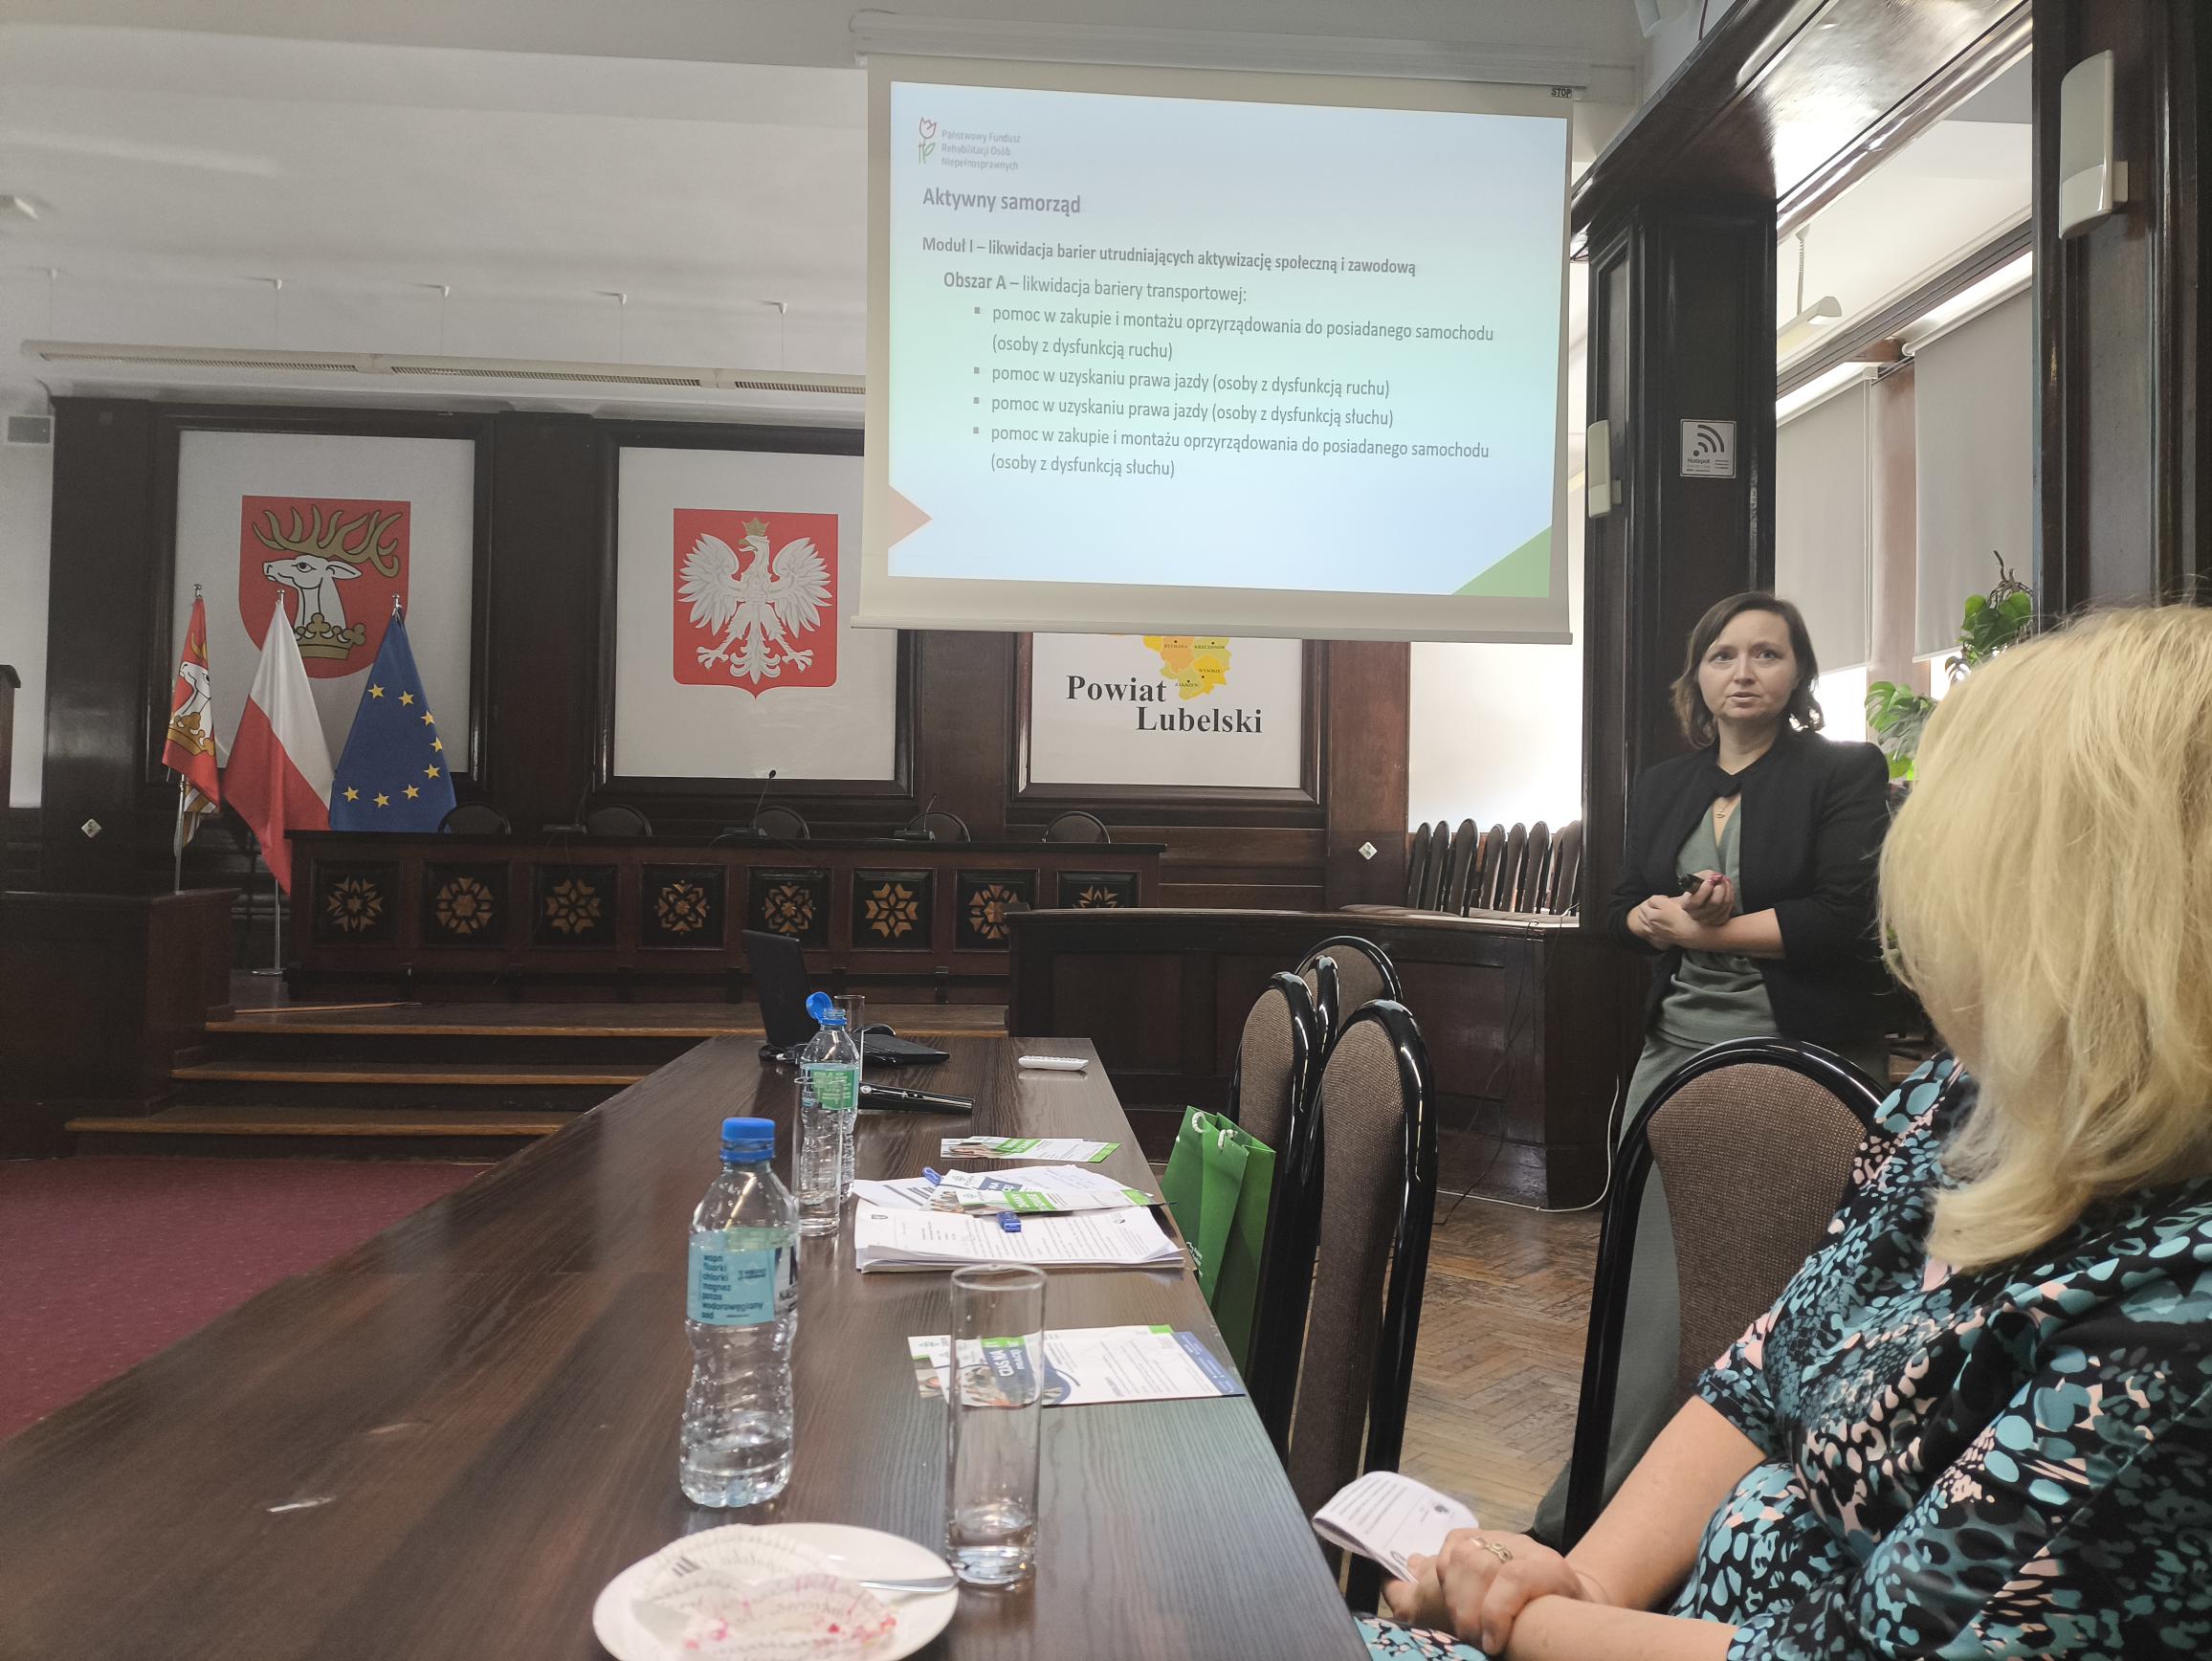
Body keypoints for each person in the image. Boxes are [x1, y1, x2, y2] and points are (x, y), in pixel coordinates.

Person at [1361, 606, 2212, 1658]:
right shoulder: (1955, 1100)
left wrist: (1527, 1622)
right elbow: (1762, 1372)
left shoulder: (2179, 1312)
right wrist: (1584, 1578)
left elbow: (1857, 1650)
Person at [1532, 592, 1892, 1540]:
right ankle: (1593, 1513)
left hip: (1802, 1067)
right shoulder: (1662, 782)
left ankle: (1765, 1517)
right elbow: (1619, 906)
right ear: (1696, 676)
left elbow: (1844, 919)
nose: (1743, 671)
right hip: (1676, 1058)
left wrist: (1707, 929)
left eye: (1767, 653)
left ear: (1798, 673)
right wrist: (1652, 917)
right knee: (1647, 1299)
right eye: (1723, 654)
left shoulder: (1843, 770)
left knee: (1785, 1295)